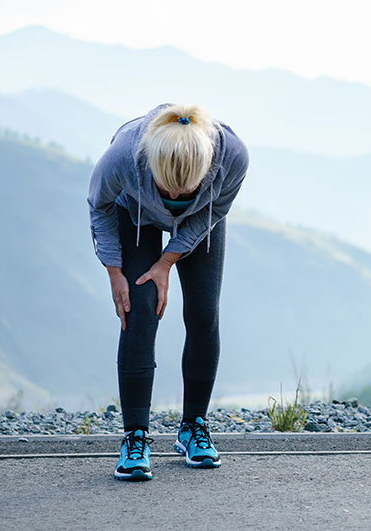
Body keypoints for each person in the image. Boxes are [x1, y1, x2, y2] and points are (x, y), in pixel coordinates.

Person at [87, 102, 249, 481]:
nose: (175, 198)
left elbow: (217, 211)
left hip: (202, 219)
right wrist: (114, 271)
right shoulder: (123, 157)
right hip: (135, 214)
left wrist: (167, 262)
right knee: (138, 307)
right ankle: (135, 437)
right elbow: (99, 207)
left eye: (185, 191)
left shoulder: (233, 158)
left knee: (203, 311)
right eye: (167, 190)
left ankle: (193, 426)